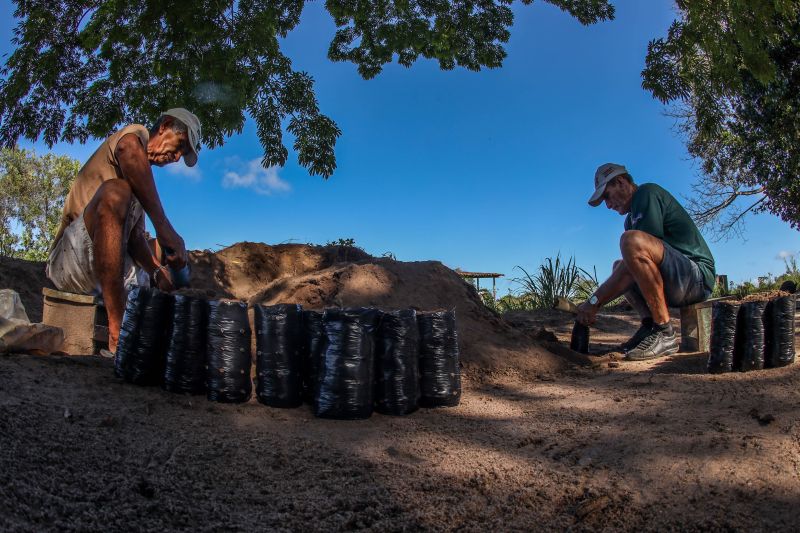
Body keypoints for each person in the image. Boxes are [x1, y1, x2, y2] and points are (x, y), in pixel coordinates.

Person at [46, 108, 201, 355]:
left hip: (111, 273)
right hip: (73, 264)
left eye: (183, 154)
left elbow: (134, 239)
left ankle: (144, 318)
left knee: (160, 248)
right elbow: (128, 149)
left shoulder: (140, 187)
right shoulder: (134, 135)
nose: (178, 157)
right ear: (164, 125)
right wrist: (164, 226)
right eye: (180, 145)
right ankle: (117, 332)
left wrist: (157, 271)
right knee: (116, 192)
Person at [576, 163, 716, 360]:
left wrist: (594, 302)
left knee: (631, 241)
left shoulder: (646, 193)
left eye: (607, 196)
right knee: (620, 264)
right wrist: (594, 302)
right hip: (677, 283)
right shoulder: (629, 220)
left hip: (696, 278)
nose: (607, 205)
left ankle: (665, 332)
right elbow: (630, 269)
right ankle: (650, 326)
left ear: (621, 182)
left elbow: (639, 249)